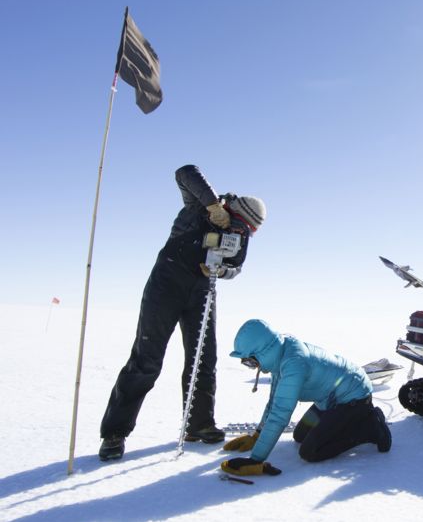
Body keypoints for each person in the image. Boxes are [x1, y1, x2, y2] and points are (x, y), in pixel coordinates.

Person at [99, 164, 267, 461]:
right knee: (146, 360)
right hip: (166, 285)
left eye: (246, 230)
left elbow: (236, 267)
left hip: (202, 290)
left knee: (203, 359)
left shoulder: (241, 235)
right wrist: (213, 205)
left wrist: (222, 269)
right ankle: (115, 433)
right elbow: (185, 171)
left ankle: (199, 425)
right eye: (236, 223)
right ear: (231, 209)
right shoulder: (198, 207)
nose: (238, 231)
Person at [220, 319, 391, 477]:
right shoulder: (280, 355)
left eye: (250, 362)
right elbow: (273, 402)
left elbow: (280, 413)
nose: (252, 367)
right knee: (300, 435)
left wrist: (256, 459)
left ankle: (370, 427)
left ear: (264, 351)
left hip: (353, 397)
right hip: (328, 400)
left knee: (311, 451)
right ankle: (351, 421)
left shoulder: (294, 363)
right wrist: (257, 436)